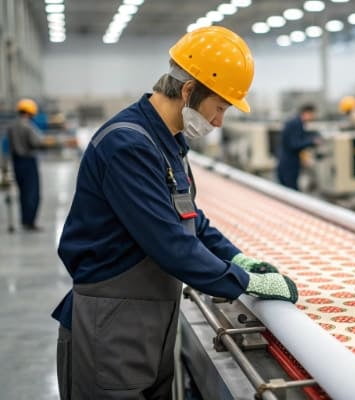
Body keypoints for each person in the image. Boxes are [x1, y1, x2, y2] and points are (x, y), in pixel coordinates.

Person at [52, 26, 298, 400]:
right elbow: (171, 245)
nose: (219, 122)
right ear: (187, 91)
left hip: (150, 318)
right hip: (112, 322)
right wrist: (245, 283)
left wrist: (237, 257)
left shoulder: (168, 142)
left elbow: (190, 220)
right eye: (219, 107)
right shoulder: (128, 145)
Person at [7, 99, 45, 231]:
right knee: (32, 193)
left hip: (16, 162)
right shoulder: (28, 126)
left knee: (23, 193)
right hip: (28, 161)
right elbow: (36, 143)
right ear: (31, 112)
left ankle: (24, 220)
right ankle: (30, 222)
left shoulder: (11, 126)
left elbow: (8, 146)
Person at [276, 103, 320, 190]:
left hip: (284, 161)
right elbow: (294, 144)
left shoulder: (294, 122)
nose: (313, 117)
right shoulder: (296, 124)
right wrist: (312, 141)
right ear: (307, 113)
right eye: (312, 114)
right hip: (289, 164)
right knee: (291, 191)